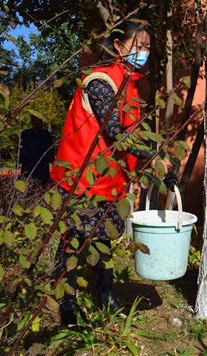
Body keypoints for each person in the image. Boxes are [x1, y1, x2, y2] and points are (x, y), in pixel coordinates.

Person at [50, 20, 177, 326]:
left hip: (110, 181)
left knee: (103, 241)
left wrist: (163, 165)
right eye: (138, 46)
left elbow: (137, 134)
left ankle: (106, 296)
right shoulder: (100, 81)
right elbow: (115, 132)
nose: (143, 53)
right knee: (72, 241)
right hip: (82, 178)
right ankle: (67, 305)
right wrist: (155, 160)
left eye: (147, 48)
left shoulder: (130, 85)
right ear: (119, 46)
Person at [19, 115, 54, 185]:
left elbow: (50, 149)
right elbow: (21, 148)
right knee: (27, 183)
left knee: (42, 184)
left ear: (41, 122)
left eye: (38, 121)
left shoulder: (46, 134)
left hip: (42, 163)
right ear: (31, 122)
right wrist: (19, 160)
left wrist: (52, 160)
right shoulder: (25, 134)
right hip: (28, 163)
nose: (36, 123)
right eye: (34, 121)